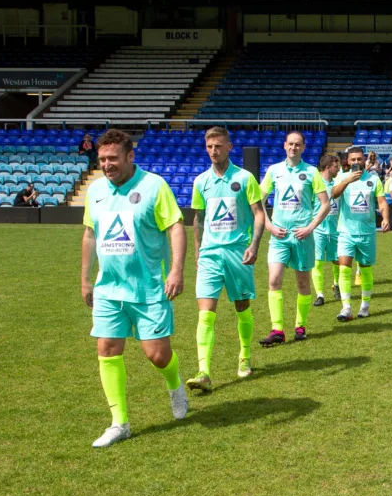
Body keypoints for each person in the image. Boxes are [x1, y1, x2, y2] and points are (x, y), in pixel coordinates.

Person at [80, 129, 188, 448]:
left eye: (113, 158)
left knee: (157, 355)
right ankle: (119, 423)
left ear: (130, 156)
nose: (106, 164)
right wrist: (86, 278)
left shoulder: (154, 186)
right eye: (101, 159)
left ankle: (175, 385)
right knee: (107, 350)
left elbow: (176, 227)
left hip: (149, 288)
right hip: (109, 290)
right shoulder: (95, 189)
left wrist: (177, 271)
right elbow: (89, 234)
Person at [185, 126, 265, 393]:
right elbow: (199, 218)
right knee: (205, 313)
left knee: (241, 307)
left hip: (237, 253)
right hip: (209, 255)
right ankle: (204, 371)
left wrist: (254, 246)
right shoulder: (200, 181)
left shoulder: (244, 178)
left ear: (229, 147)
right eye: (209, 147)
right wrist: (198, 251)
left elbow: (259, 214)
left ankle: (244, 356)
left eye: (218, 146)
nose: (213, 151)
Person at [258, 131, 332, 346]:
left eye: (297, 144)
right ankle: (277, 329)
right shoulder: (274, 171)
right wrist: (269, 225)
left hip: (302, 236)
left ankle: (300, 326)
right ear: (284, 146)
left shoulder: (311, 172)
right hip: (279, 235)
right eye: (290, 144)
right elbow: (258, 201)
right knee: (274, 280)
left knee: (302, 282)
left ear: (304, 147)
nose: (293, 148)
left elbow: (325, 204)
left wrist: (310, 227)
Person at [331, 147, 392, 320]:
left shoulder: (373, 179)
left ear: (364, 160)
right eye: (353, 160)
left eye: (359, 159)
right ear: (348, 162)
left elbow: (381, 202)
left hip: (366, 232)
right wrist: (346, 181)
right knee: (344, 268)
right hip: (345, 232)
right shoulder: (342, 177)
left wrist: (385, 218)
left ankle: (364, 306)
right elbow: (333, 194)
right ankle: (346, 308)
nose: (356, 162)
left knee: (365, 270)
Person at [313, 154, 342, 307]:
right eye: (336, 166)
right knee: (317, 262)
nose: (338, 169)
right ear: (327, 167)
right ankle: (320, 294)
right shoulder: (315, 183)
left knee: (337, 260)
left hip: (335, 230)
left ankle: (336, 284)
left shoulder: (338, 185)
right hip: (317, 230)